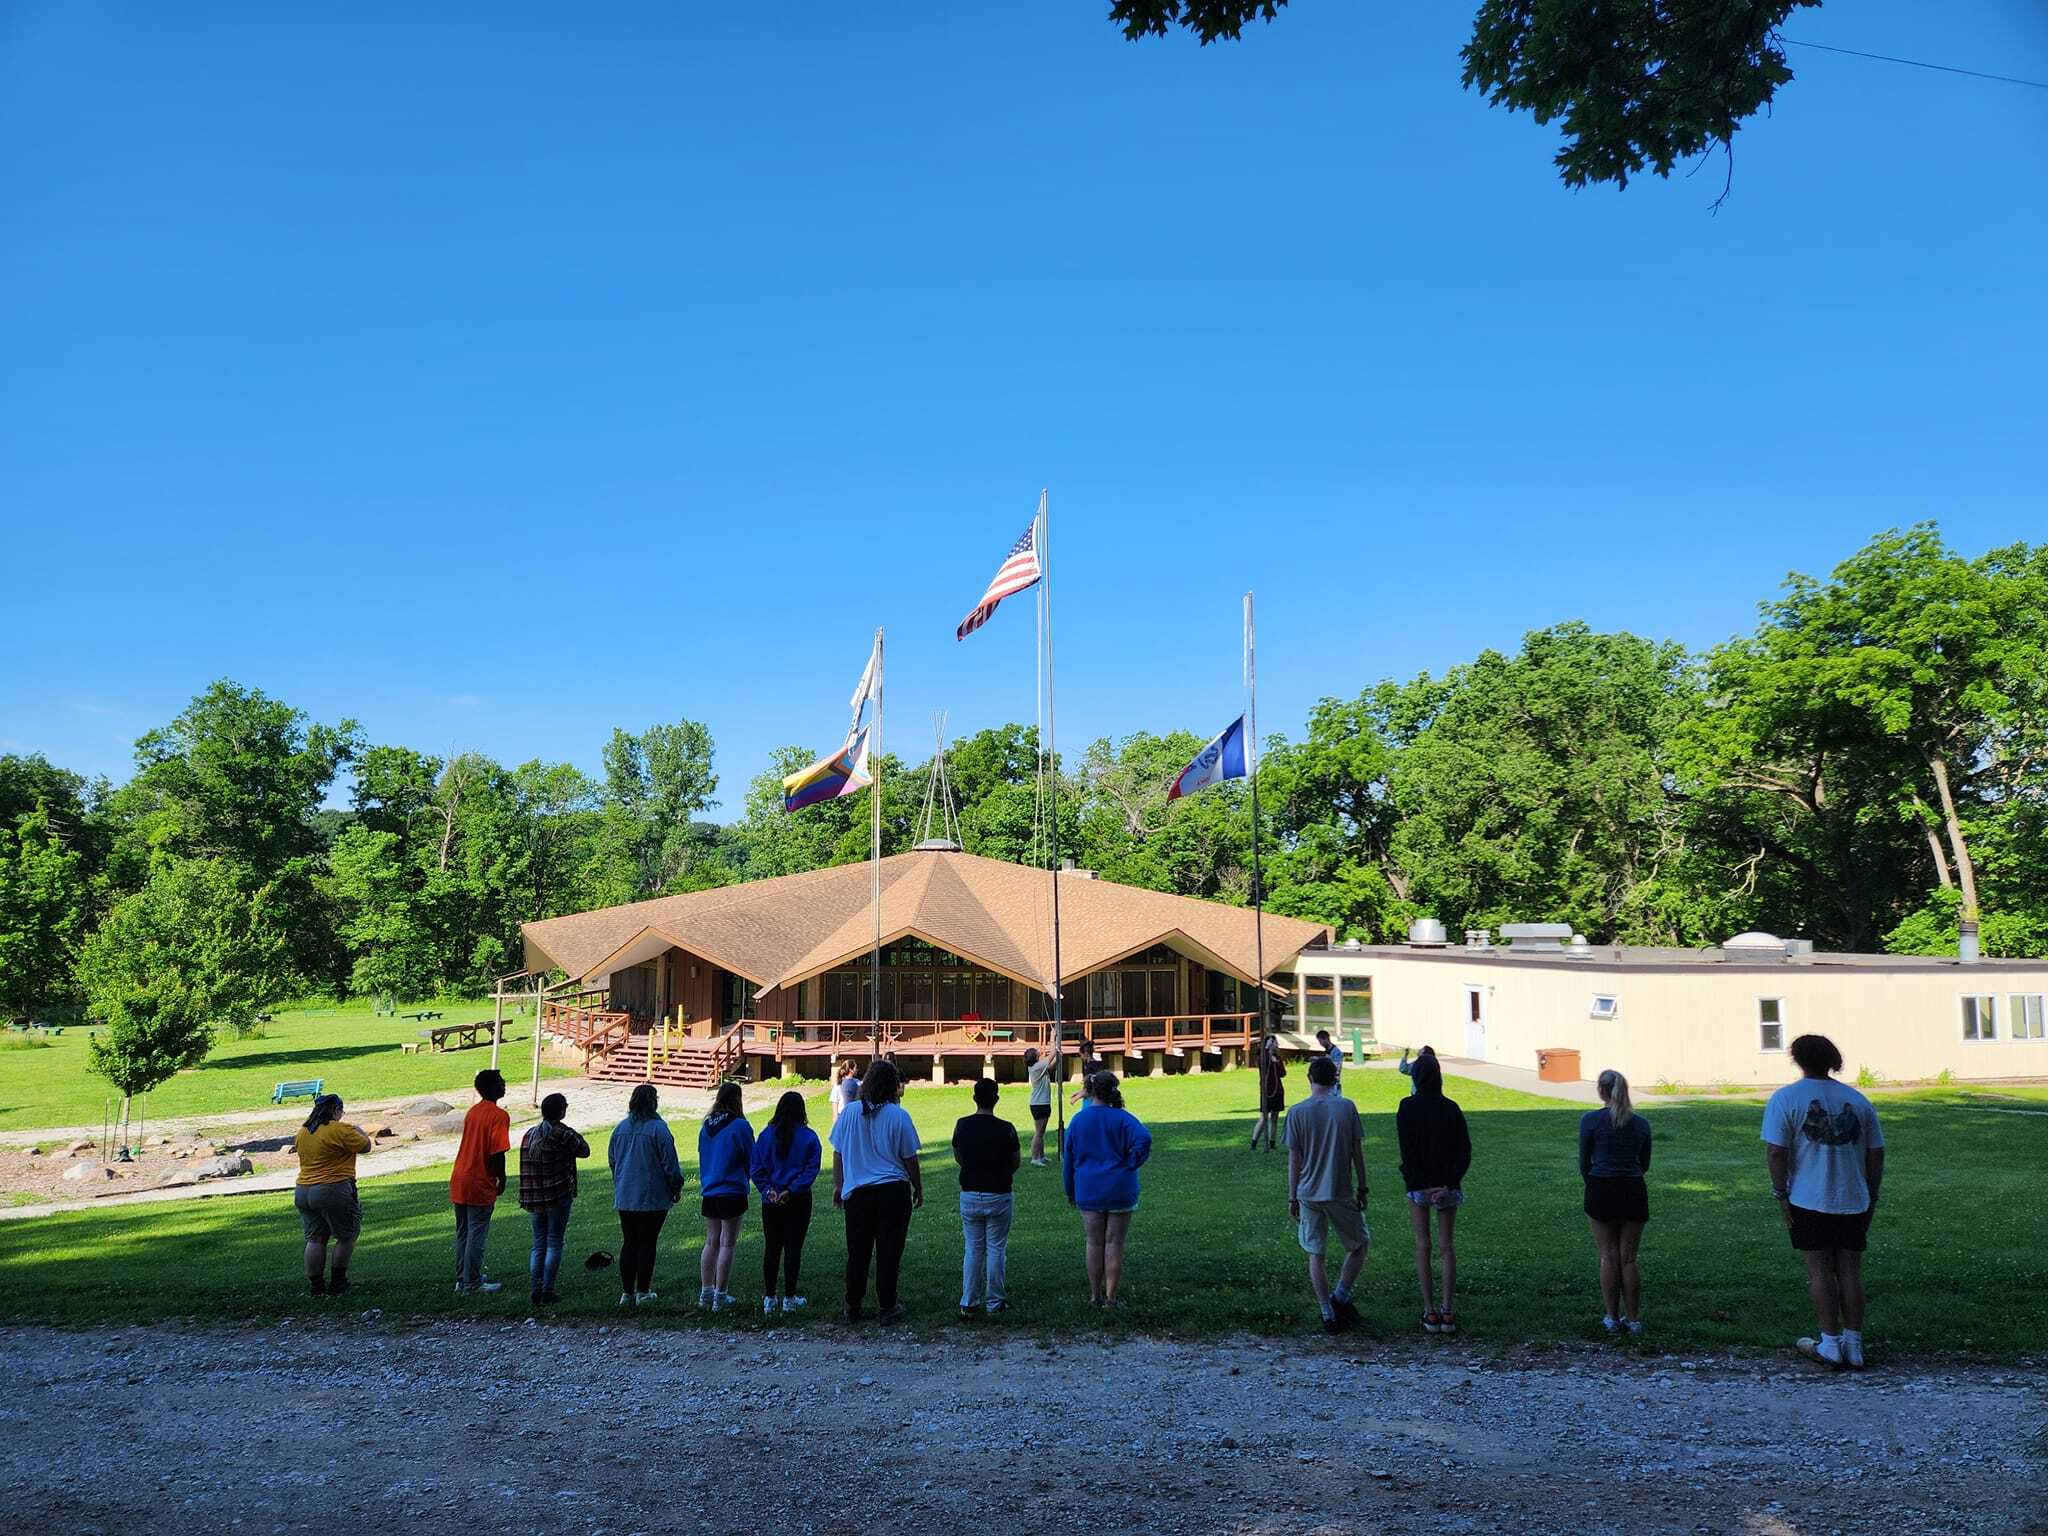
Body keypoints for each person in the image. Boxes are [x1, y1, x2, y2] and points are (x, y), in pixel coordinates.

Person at [1762, 1034, 1885, 1370]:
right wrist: (1871, 1193)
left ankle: (1829, 1343)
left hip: (1807, 1197)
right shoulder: (1858, 1100)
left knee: (1819, 1272)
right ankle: (1854, 1345)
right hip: (1854, 1198)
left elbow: (1776, 1151)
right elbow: (1876, 1152)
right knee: (1850, 1271)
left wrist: (1780, 1193)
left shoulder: (1786, 1099)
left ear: (1797, 1059)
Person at [830, 1058, 923, 1324]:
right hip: (892, 1192)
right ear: (893, 1086)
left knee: (857, 1252)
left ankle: (852, 1304)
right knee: (889, 1251)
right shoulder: (898, 1115)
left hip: (858, 1192)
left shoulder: (849, 1113)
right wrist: (917, 1186)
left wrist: (839, 1184)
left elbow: (837, 1153)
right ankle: (887, 1304)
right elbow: (909, 1158)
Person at [1286, 1057, 1369, 1333]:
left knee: (1315, 1253)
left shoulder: (1297, 1112)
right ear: (1335, 1079)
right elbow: (1357, 1152)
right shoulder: (1346, 1108)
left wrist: (1292, 1196)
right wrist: (1363, 1186)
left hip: (1308, 1192)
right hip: (1339, 1190)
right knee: (1359, 1244)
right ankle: (1341, 1295)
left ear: (1309, 1079)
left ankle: (1327, 1311)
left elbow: (1294, 1160)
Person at [1062, 1071, 1153, 1308]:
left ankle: (1095, 1295)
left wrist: (1070, 1190)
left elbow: (1068, 1160)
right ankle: (1111, 1298)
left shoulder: (1078, 1121)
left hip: (1089, 1187)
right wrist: (1131, 1163)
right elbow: (1144, 1139)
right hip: (1120, 1187)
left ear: (1089, 1091)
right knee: (1114, 1243)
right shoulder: (1123, 1118)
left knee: (1094, 1242)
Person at [1396, 1052, 1470, 1334]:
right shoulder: (1451, 1108)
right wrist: (1449, 1184)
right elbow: (1464, 1151)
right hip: (1447, 1186)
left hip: (1419, 1186)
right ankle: (1448, 1311)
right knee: (1446, 1247)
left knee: (1423, 1245)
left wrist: (1421, 1184)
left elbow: (1408, 1151)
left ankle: (1429, 1311)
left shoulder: (1407, 1107)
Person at [1580, 1068, 1652, 1336]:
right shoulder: (1641, 1124)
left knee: (1608, 1256)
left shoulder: (1590, 1121)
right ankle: (1633, 1320)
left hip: (1601, 1188)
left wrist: (1596, 1181)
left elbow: (1583, 1162)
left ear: (1601, 1090)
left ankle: (1611, 1318)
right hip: (1633, 1189)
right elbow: (1644, 1163)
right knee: (1629, 1258)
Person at [609, 1083, 686, 1306]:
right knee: (647, 1243)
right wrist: (675, 1187)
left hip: (626, 1194)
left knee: (629, 1242)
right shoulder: (658, 1129)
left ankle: (627, 1293)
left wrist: (620, 1182)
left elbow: (613, 1161)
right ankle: (643, 1290)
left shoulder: (620, 1129)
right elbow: (670, 1164)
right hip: (652, 1196)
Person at [952, 1076, 1021, 1317]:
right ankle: (995, 1302)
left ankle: (969, 1301)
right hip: (999, 1194)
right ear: (996, 1100)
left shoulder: (962, 1125)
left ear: (974, 1098)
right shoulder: (1006, 1128)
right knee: (996, 1248)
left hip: (970, 1193)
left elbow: (958, 1156)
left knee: (972, 1248)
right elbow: (1015, 1162)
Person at [293, 1093, 372, 1297]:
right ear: (336, 1110)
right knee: (347, 1235)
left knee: (316, 1238)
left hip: (303, 1190)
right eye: (341, 1111)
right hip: (332, 1188)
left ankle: (316, 1287)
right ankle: (338, 1283)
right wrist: (359, 1130)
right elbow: (365, 1146)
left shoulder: (303, 1131)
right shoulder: (341, 1129)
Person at [751, 1089, 822, 1314]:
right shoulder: (809, 1137)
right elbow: (811, 1169)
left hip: (771, 1200)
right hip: (798, 1200)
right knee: (793, 1248)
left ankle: (769, 1298)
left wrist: (768, 1189)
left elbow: (756, 1166)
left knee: (772, 1247)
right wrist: (792, 1190)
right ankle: (789, 1298)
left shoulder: (765, 1135)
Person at [517, 1091, 590, 1306]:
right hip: (557, 1195)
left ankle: (536, 1287)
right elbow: (584, 1150)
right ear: (561, 1111)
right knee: (555, 1242)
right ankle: (548, 1289)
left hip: (535, 1197)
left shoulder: (529, 1134)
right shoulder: (562, 1133)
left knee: (538, 1243)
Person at [450, 1069, 512, 1295]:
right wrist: (501, 1178)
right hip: (479, 1179)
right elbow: (498, 1152)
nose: (505, 1085)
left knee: (463, 1232)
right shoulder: (499, 1116)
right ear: (493, 1088)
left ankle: (463, 1278)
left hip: (460, 1177)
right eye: (501, 1082)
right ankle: (472, 1283)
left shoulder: (473, 1112)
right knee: (477, 1233)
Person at [697, 1080, 755, 1311]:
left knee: (711, 1241)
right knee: (727, 1243)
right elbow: (752, 1156)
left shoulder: (706, 1126)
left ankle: (706, 1292)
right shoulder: (740, 1126)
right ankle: (720, 1295)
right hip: (732, 1189)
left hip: (710, 1189)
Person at [1251, 1032, 1286, 1151]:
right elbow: (1262, 1064)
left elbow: (1283, 1074)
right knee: (1264, 1117)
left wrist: (1276, 1061)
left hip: (1278, 1091)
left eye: (1275, 1042)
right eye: (1272, 1042)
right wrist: (1267, 1051)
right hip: (1267, 1091)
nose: (1275, 1044)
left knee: (1275, 1117)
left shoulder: (1278, 1058)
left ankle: (1272, 1143)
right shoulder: (1262, 1056)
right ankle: (1254, 1143)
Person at [1025, 1047, 1054, 1167]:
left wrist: (1058, 1054)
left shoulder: (1037, 1066)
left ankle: (1041, 1156)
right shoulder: (1037, 1067)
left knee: (1041, 1133)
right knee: (1038, 1133)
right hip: (1039, 1104)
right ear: (1035, 1057)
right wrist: (1055, 1041)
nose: (1040, 1052)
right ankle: (1035, 1158)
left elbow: (1051, 1065)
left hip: (1041, 1103)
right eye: (1038, 1052)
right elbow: (1051, 1055)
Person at [832, 1060, 861, 1126]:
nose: (857, 1070)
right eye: (855, 1068)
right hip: (843, 1116)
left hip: (854, 1116)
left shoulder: (857, 1082)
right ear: (851, 1070)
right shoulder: (838, 1084)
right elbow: (835, 1102)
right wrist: (835, 1119)